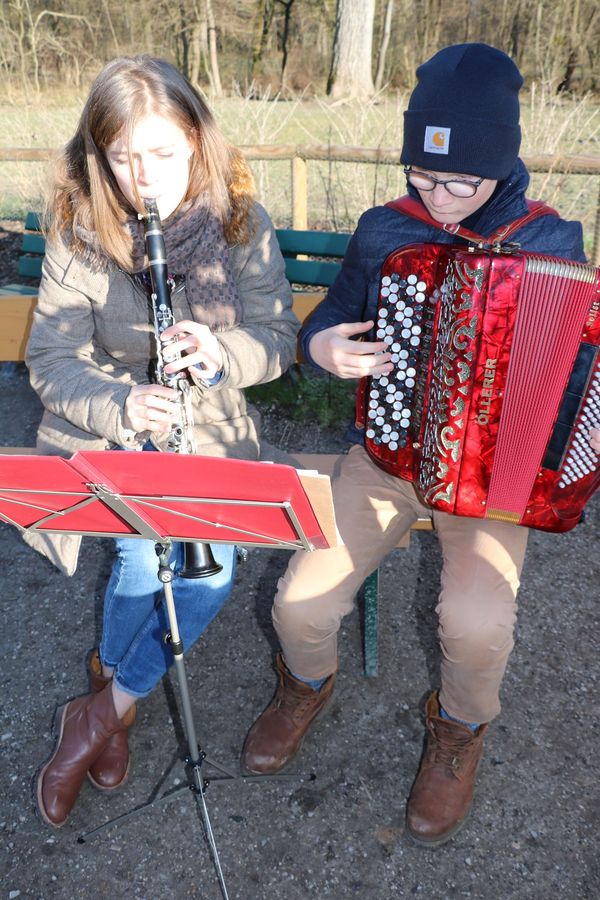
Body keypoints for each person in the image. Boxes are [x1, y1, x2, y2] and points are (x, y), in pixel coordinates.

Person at [241, 43, 600, 847]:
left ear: (502, 165)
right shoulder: (384, 230)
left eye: (458, 182)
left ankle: (459, 730)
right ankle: (304, 685)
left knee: (477, 624)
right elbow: (327, 319)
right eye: (421, 176)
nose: (436, 199)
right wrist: (324, 347)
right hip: (386, 459)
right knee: (300, 600)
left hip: (493, 482)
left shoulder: (551, 244)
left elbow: (574, 368)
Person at [28, 55, 298, 829]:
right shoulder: (80, 234)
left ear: (196, 141)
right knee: (144, 556)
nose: (144, 178)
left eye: (163, 154)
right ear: (98, 155)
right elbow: (50, 359)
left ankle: (104, 708)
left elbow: (277, 338)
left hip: (216, 434)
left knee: (205, 583)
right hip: (115, 432)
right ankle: (116, 703)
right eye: (122, 157)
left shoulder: (242, 223)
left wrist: (223, 355)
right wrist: (122, 404)